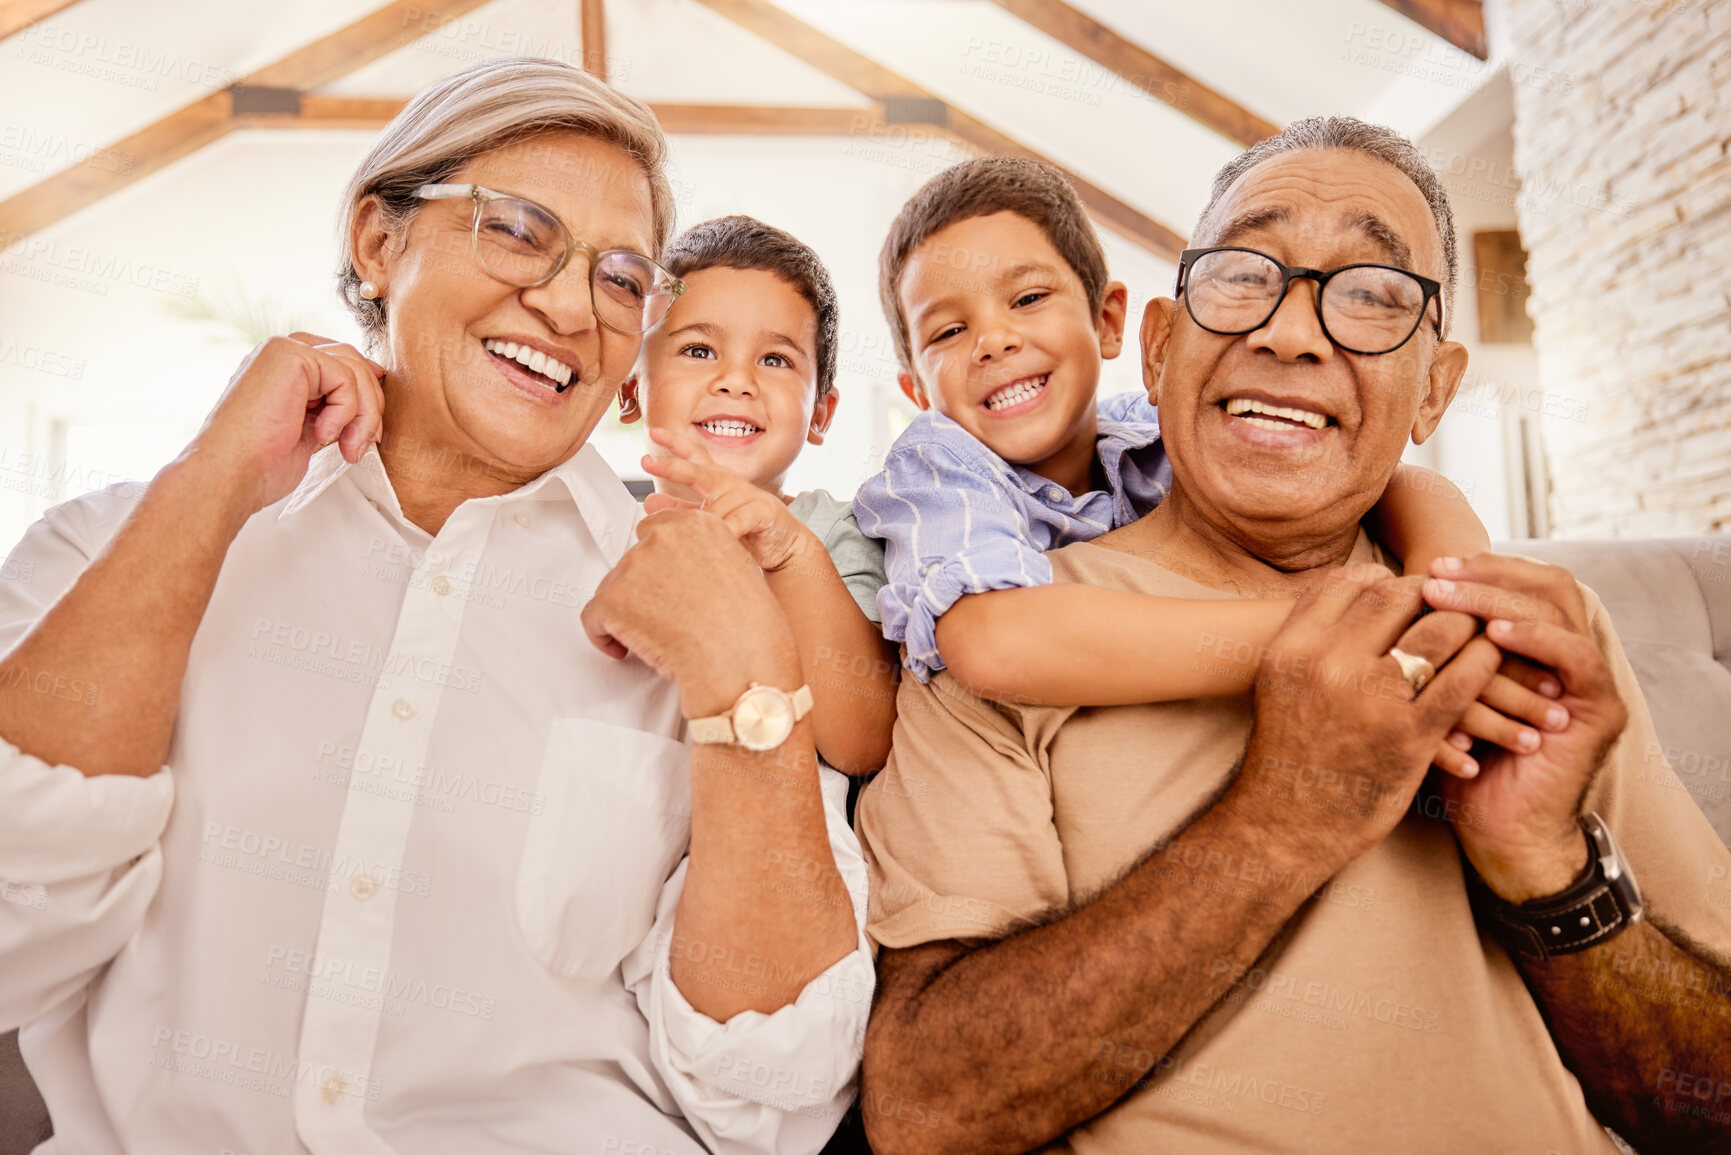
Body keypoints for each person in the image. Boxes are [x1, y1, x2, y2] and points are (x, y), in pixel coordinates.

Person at [0, 58, 870, 1155]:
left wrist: (749, 682)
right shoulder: (119, 544)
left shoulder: (703, 602)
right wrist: (209, 484)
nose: (567, 305)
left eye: (618, 278)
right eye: (515, 230)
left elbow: (776, 1094)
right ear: (379, 241)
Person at [855, 118, 1731, 1154]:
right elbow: (924, 1113)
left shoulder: (1527, 634)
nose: (1292, 334)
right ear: (1163, 343)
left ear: (1435, 390)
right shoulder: (988, 636)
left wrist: (1549, 869)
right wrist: (1288, 814)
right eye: (1243, 277)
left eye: (1369, 293)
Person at [853, 156, 1539, 778]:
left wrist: (1450, 591)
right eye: (947, 331)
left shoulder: (1160, 427)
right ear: (916, 391)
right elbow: (992, 641)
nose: (994, 340)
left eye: (1028, 299)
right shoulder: (936, 467)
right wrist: (1352, 641)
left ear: (1109, 321)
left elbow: (1394, 479)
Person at [617, 215, 898, 778]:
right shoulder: (593, 520)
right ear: (629, 389)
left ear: (820, 413)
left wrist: (789, 552)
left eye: (775, 360)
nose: (736, 380)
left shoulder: (837, 533)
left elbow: (863, 741)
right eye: (698, 350)